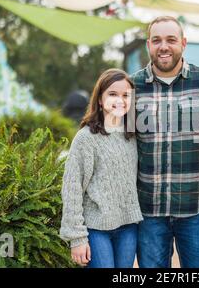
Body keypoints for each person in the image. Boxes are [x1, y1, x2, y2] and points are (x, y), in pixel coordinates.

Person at [131, 16, 199, 268]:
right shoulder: (132, 87)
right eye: (157, 40)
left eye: (171, 40)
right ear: (148, 45)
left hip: (196, 209)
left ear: (183, 43)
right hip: (149, 210)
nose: (163, 46)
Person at [59, 69, 143, 268]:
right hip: (96, 229)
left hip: (128, 227)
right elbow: (72, 187)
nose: (120, 100)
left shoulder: (132, 135)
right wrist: (77, 238)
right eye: (112, 94)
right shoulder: (86, 138)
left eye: (125, 95)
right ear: (99, 99)